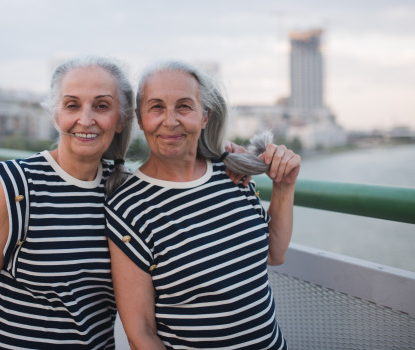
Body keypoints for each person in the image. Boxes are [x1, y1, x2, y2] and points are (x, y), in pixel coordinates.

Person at [105, 60, 301, 349]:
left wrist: (284, 185)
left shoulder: (232, 174)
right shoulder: (128, 206)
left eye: (184, 106)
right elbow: (141, 332)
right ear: (139, 117)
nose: (170, 121)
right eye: (156, 107)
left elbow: (275, 253)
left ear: (205, 116)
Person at [0, 55, 135, 349]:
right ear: (54, 114)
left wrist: (227, 157)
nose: (85, 120)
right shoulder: (16, 185)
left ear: (121, 118)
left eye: (102, 106)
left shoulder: (127, 191)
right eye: (72, 105)